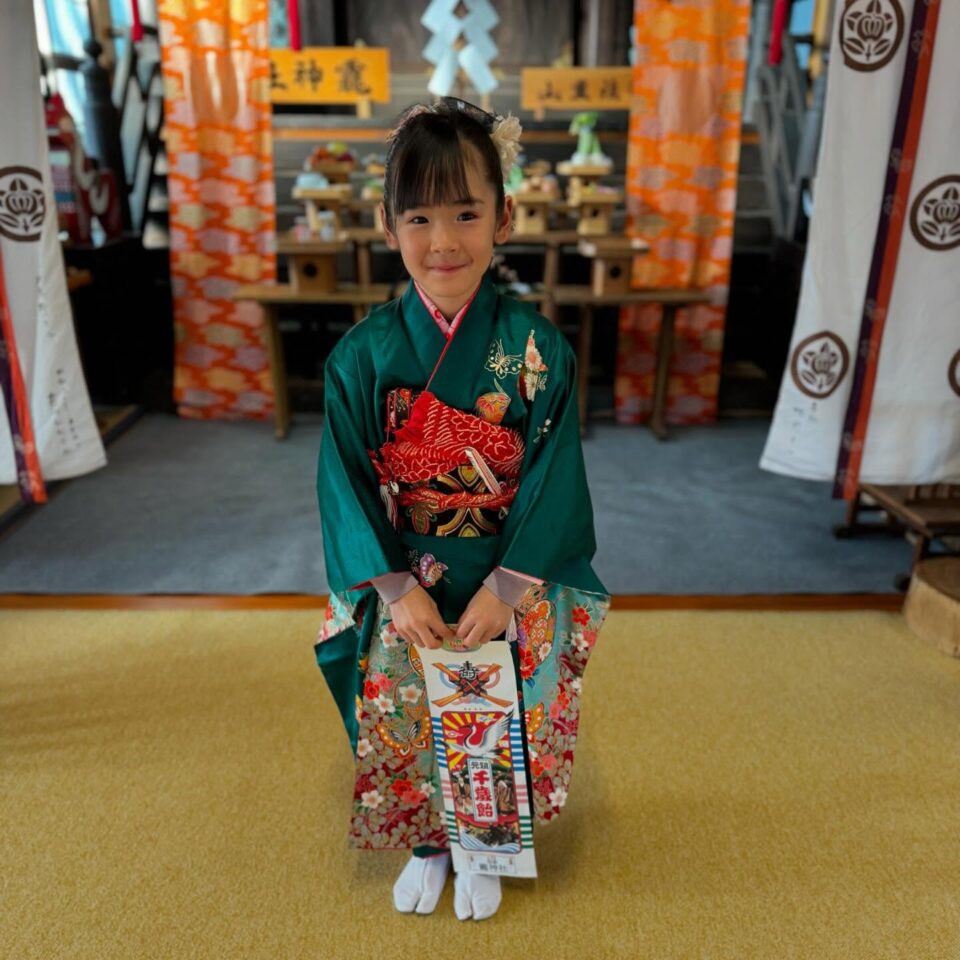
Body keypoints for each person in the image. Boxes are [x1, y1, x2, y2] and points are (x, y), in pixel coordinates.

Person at [315, 97, 610, 921]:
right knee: (407, 704)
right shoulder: (362, 355)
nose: (443, 240)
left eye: (466, 214)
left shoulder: (537, 350)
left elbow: (555, 474)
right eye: (418, 217)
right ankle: (428, 842)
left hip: (506, 568)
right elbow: (342, 477)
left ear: (504, 218)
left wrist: (509, 587)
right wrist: (393, 587)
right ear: (388, 225)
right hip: (403, 570)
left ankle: (486, 840)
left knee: (500, 703)